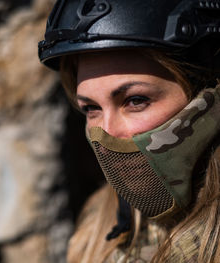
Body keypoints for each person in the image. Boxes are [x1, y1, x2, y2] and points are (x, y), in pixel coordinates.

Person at [38, 0, 220, 262]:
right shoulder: (97, 227)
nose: (107, 133)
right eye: (91, 108)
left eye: (135, 101)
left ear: (207, 93)